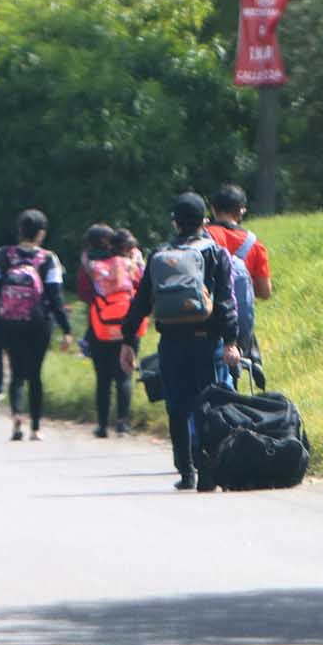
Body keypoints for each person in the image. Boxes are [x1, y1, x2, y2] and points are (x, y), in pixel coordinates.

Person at [119, 193, 239, 490]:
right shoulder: (216, 253)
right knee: (208, 404)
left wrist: (128, 340)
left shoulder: (159, 254)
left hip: (171, 341)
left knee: (177, 405)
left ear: (175, 222)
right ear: (204, 221)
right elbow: (226, 302)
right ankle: (208, 471)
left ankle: (186, 471)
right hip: (207, 341)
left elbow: (141, 302)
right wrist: (231, 341)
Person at [0, 212, 74, 441]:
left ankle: (16, 419)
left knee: (17, 373)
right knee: (35, 374)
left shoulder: (3, 255)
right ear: (41, 233)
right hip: (38, 323)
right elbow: (55, 296)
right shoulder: (48, 259)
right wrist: (66, 329)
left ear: (19, 230)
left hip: (9, 322)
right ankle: (36, 428)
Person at [78, 224, 144, 437]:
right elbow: (141, 286)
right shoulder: (130, 263)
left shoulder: (91, 266)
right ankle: (123, 424)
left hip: (100, 326)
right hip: (128, 324)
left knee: (103, 378)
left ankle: (102, 426)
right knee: (124, 375)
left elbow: (84, 293)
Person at [205, 183, 272, 371]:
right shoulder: (255, 244)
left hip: (205, 320)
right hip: (237, 325)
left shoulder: (203, 237)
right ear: (241, 210)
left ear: (213, 209)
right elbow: (265, 292)